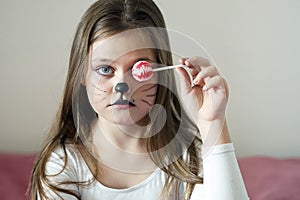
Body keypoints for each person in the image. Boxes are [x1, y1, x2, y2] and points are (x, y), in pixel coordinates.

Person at [30, 0, 249, 199]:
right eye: (105, 69)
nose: (121, 85)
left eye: (139, 69)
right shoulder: (64, 165)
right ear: (81, 74)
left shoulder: (187, 160)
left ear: (160, 73)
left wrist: (213, 123)